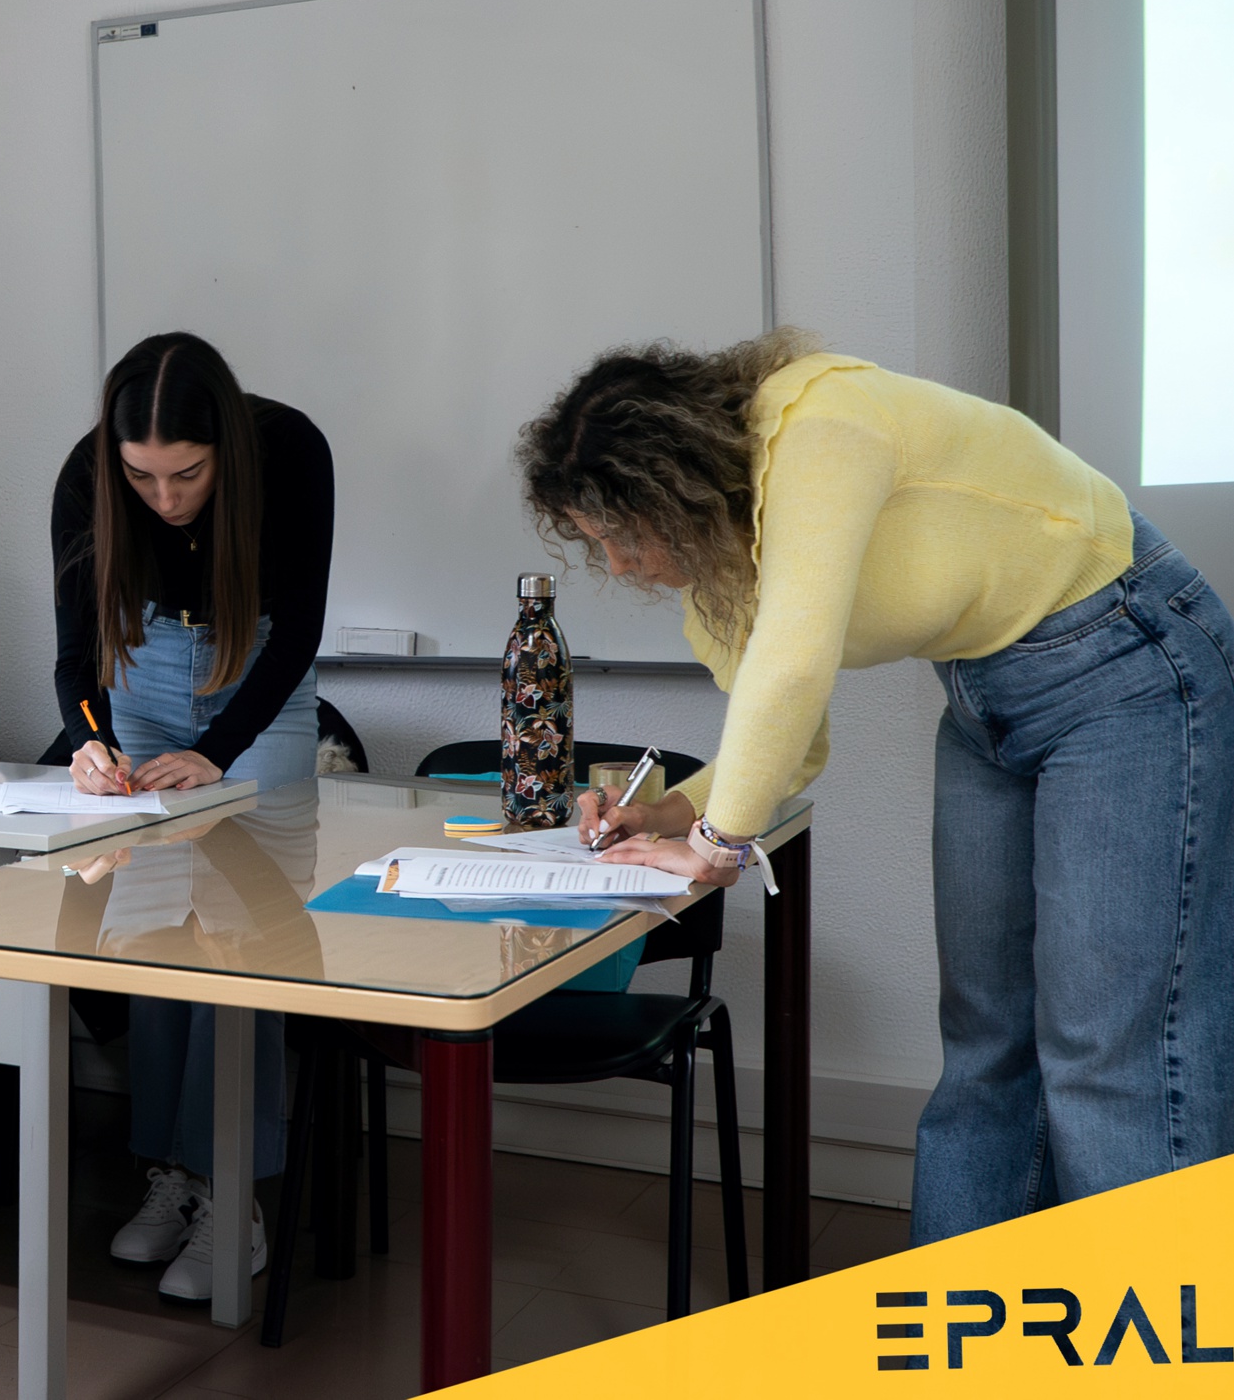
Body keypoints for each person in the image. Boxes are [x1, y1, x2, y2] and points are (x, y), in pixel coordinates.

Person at [522, 332, 1234, 1244]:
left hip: (1128, 664)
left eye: (619, 537)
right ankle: (967, 1346)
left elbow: (792, 667)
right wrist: (661, 816)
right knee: (985, 1044)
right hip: (985, 698)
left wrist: (712, 849)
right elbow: (789, 742)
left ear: (675, 488)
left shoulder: (820, 418)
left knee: (1109, 1055)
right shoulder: (727, 568)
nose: (616, 567)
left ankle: (1166, 1355)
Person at [49, 332, 334, 1300]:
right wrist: (88, 740)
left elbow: (297, 630)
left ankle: (233, 1196)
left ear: (226, 451)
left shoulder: (291, 451)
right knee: (152, 935)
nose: (165, 497)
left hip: (254, 687)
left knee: (239, 944)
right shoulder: (85, 480)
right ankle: (169, 1176)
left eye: (188, 474)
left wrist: (221, 751)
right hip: (141, 686)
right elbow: (73, 656)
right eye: (143, 475)